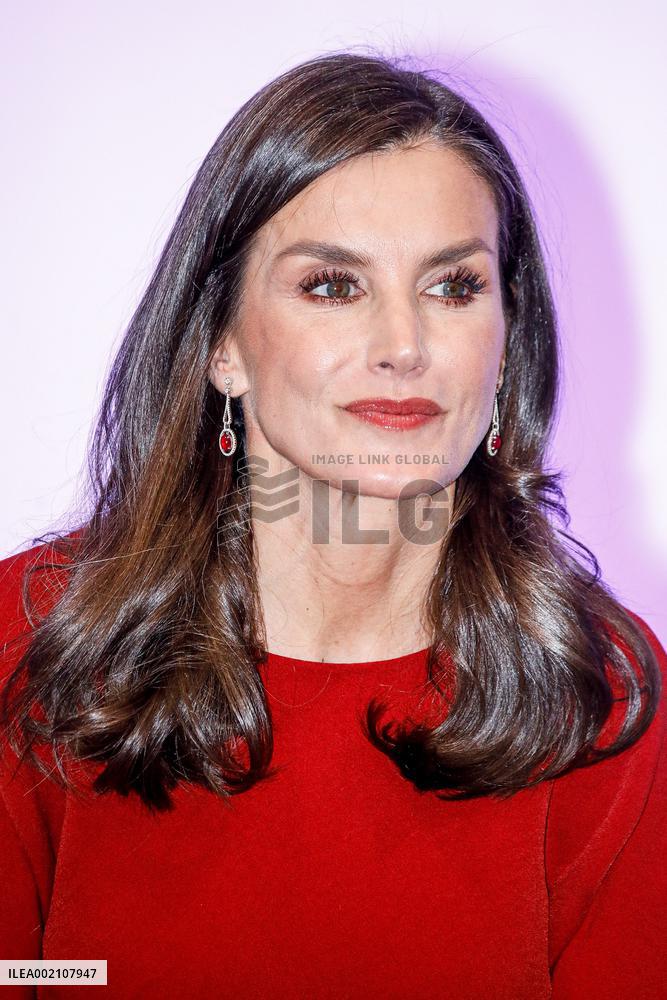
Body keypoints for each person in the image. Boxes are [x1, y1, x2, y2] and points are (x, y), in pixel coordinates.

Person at [1, 50, 665, 1000]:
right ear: (221, 343)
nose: (403, 346)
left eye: (453, 287)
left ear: (509, 338)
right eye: (331, 285)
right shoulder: (31, 641)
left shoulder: (603, 697)